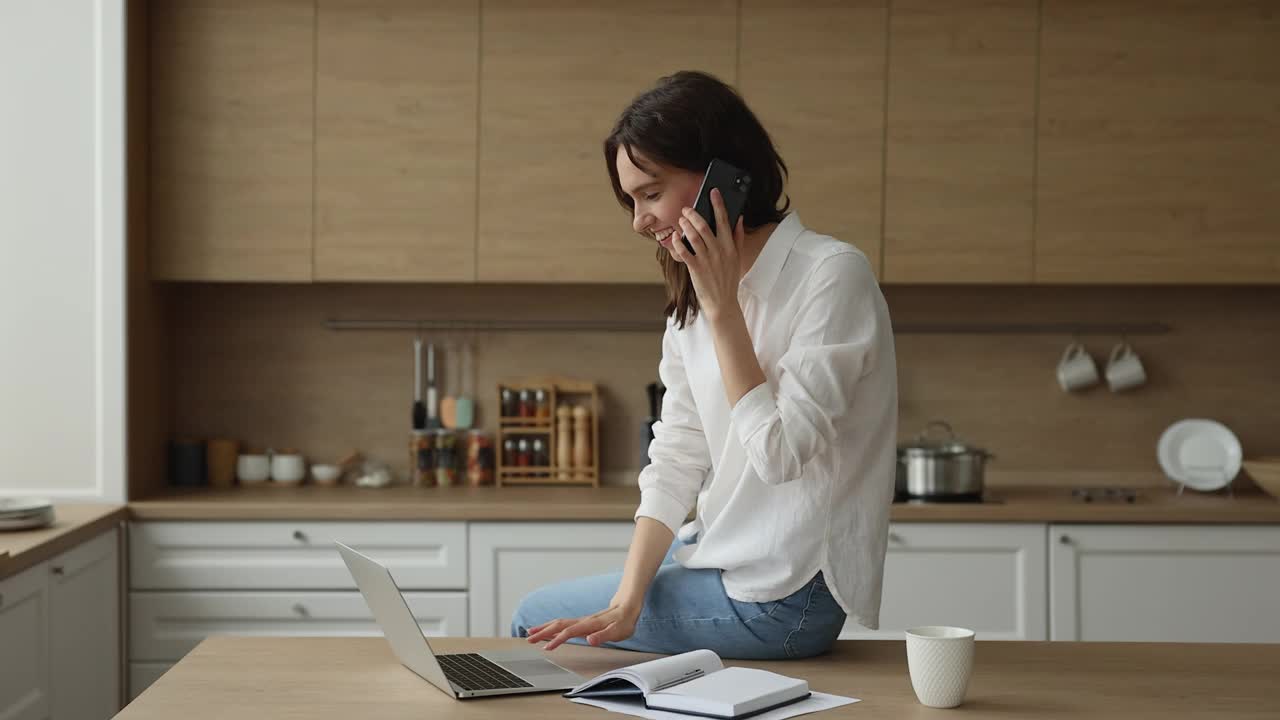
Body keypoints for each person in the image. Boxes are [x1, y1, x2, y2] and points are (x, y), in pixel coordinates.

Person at [510, 70, 898, 660]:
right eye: (630, 201)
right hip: (726, 553)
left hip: (788, 598)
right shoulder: (690, 303)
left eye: (649, 193)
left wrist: (724, 312)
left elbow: (781, 455)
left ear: (724, 176)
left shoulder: (832, 275)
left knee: (531, 616)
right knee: (595, 607)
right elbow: (677, 457)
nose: (639, 222)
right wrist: (629, 599)